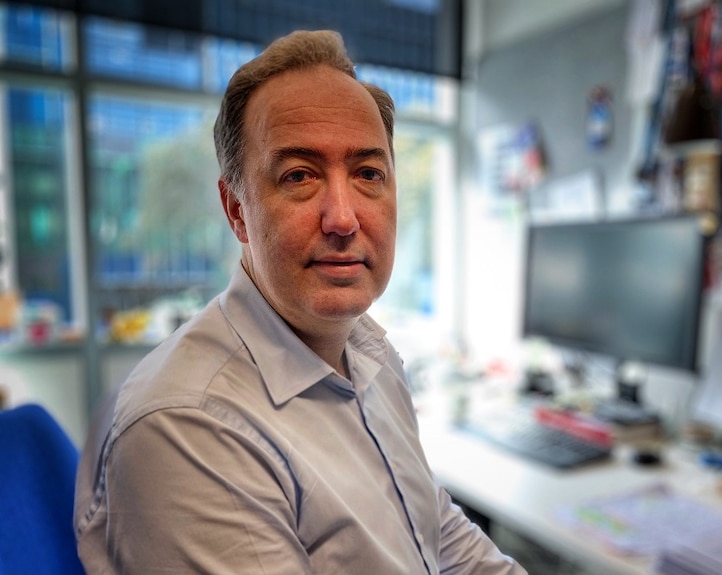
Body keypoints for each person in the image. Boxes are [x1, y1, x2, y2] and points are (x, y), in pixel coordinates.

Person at [74, 30, 526, 574]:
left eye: (368, 174)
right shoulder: (187, 424)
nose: (343, 218)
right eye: (300, 176)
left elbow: (438, 535)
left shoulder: (371, 354)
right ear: (236, 209)